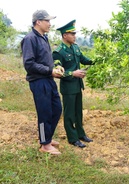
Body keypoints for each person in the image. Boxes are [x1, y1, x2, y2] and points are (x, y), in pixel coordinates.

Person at [21, 10, 64, 155]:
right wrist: (49, 71)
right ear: (38, 22)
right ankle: (45, 144)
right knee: (44, 112)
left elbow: (44, 60)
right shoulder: (30, 38)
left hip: (48, 79)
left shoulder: (43, 38)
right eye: (47, 21)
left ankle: (47, 137)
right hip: (39, 81)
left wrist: (54, 69)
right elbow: (29, 64)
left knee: (57, 108)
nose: (50, 24)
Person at [53, 20, 94, 148]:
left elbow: (83, 59)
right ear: (65, 35)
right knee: (69, 114)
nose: (75, 36)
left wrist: (96, 60)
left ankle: (81, 134)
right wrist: (72, 73)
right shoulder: (58, 52)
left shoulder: (75, 47)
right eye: (72, 34)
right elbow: (58, 72)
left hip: (77, 86)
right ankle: (72, 138)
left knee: (78, 112)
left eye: (75, 33)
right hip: (68, 87)